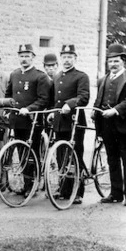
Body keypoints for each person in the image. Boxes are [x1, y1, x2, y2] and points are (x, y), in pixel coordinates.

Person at [94, 44, 126, 207]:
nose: (112, 64)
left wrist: (115, 110)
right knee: (112, 159)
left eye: (116, 61)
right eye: (110, 61)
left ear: (123, 61)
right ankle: (115, 193)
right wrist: (95, 114)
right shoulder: (103, 79)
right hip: (107, 126)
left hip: (125, 125)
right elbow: (99, 100)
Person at [5, 44, 49, 196]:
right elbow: (9, 95)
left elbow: (43, 99)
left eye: (27, 56)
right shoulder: (14, 74)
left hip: (32, 121)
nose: (24, 59)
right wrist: (7, 109)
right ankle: (25, 183)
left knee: (32, 153)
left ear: (33, 57)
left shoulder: (40, 76)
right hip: (17, 121)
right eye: (21, 56)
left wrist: (29, 109)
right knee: (21, 152)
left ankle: (33, 185)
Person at [49, 44, 90, 204]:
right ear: (61, 58)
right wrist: (52, 112)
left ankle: (78, 192)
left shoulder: (81, 76)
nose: (67, 60)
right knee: (61, 156)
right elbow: (54, 100)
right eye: (64, 57)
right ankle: (64, 189)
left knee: (75, 156)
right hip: (60, 123)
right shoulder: (57, 77)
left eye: (70, 57)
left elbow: (84, 97)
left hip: (75, 122)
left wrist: (70, 104)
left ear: (75, 58)